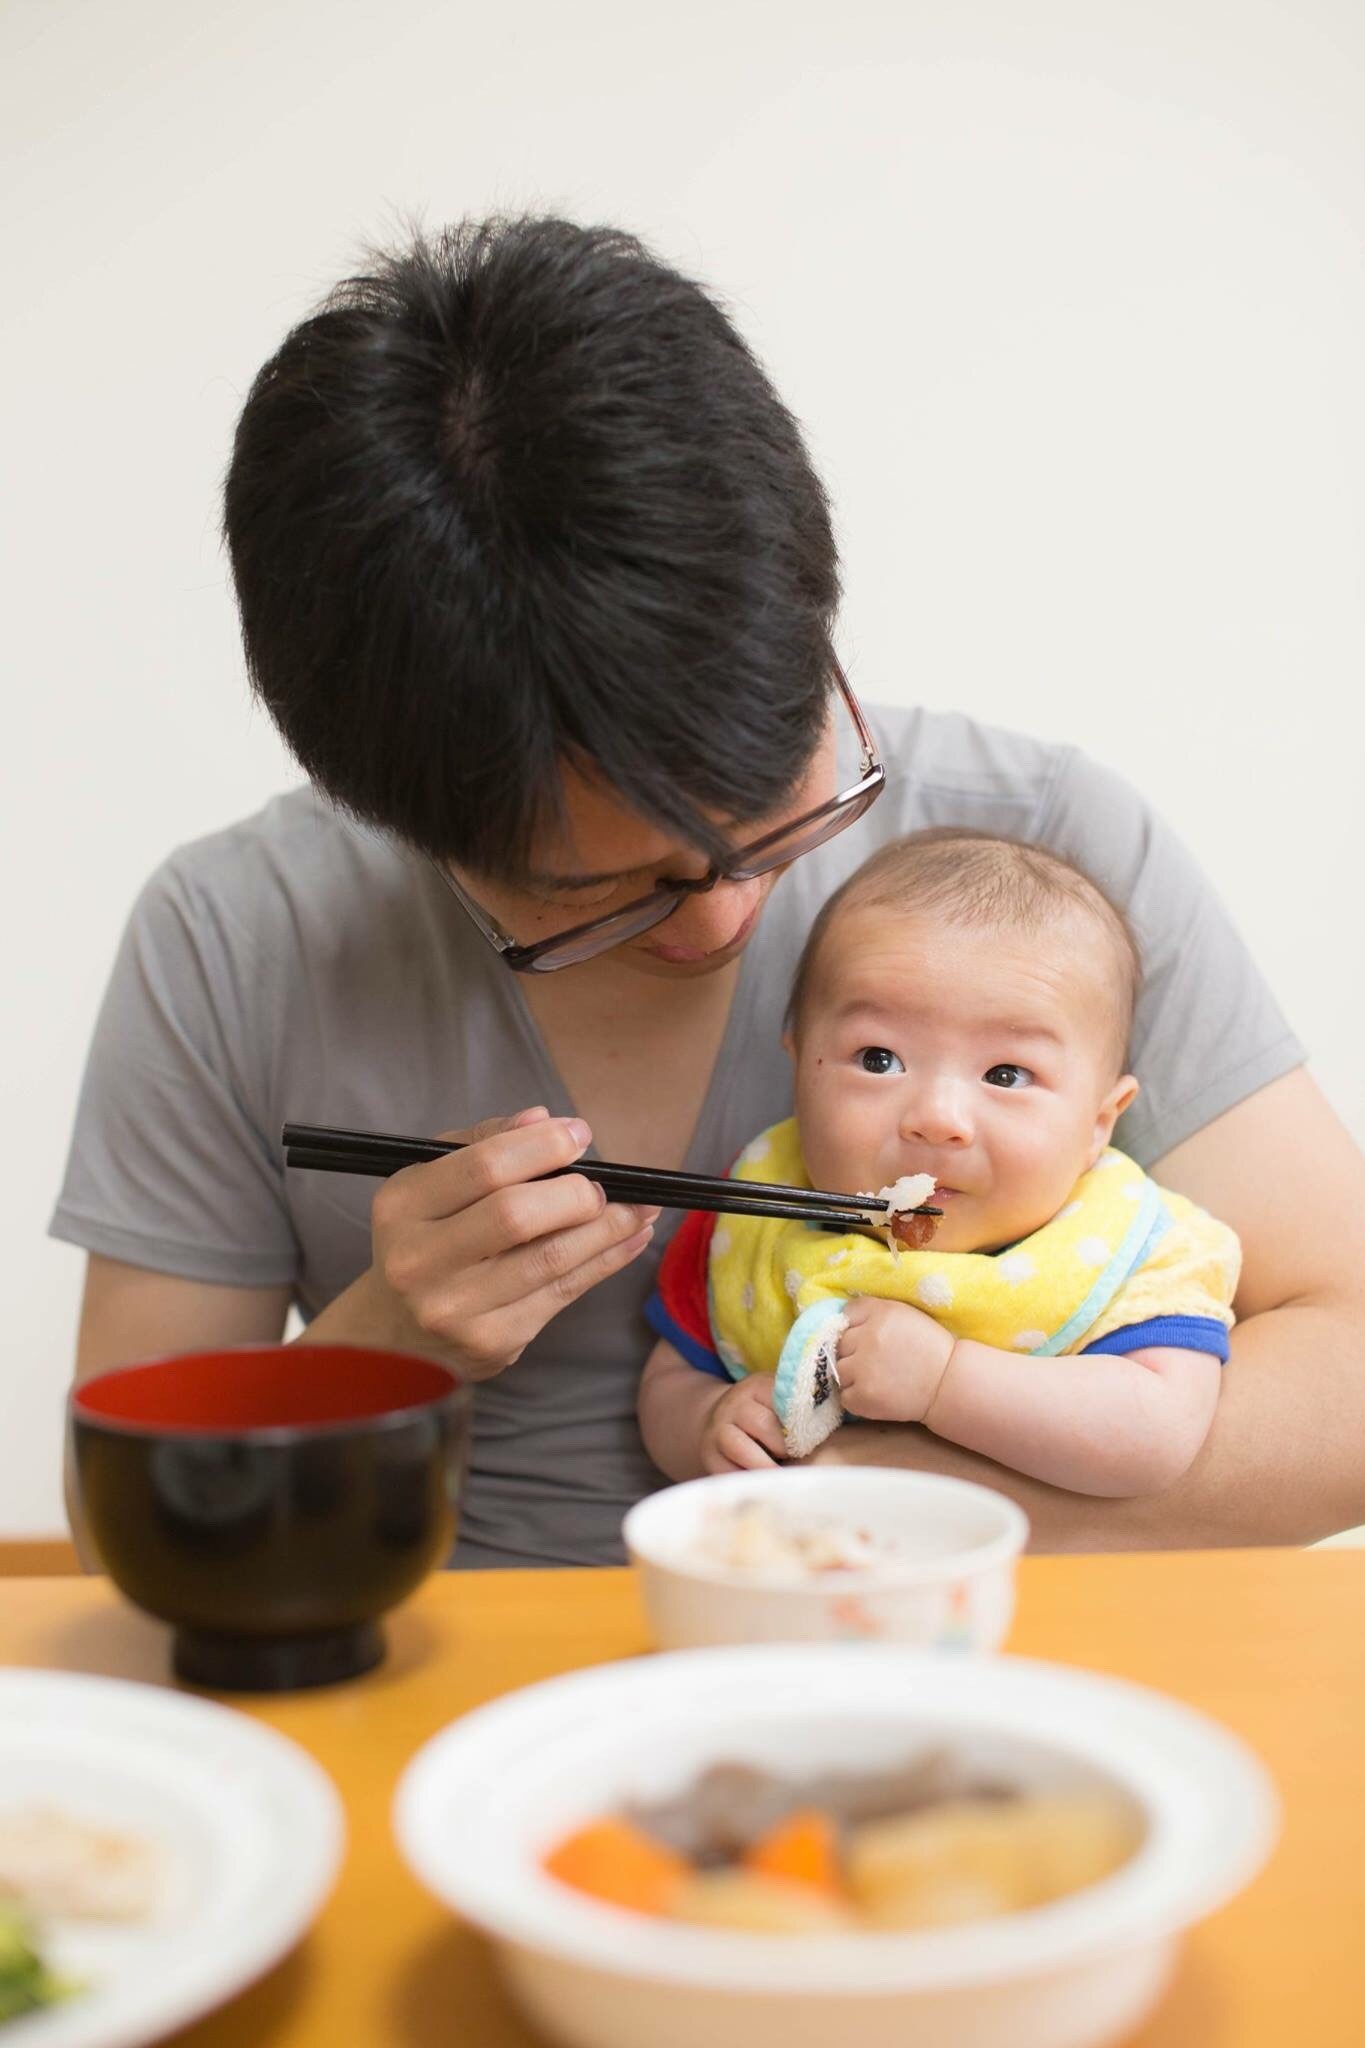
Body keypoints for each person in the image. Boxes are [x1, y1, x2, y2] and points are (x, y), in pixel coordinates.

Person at [51, 216, 1365, 1567]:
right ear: (395, 821)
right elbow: (123, 1536)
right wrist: (387, 1335)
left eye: (783, 814)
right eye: (598, 892)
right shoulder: (235, 938)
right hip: (467, 1683)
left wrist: (858, 1498)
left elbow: (1349, 1388)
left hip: (966, 1660)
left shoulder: (1045, 857)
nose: (726, 920)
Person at [640, 831, 1238, 1493]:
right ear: (797, 1069)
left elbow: (1154, 1437)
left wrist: (946, 1382)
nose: (936, 1118)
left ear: (1099, 1122)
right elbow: (672, 1375)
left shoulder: (1129, 1252)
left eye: (1006, 1074)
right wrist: (704, 1424)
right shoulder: (757, 1216)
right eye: (878, 1060)